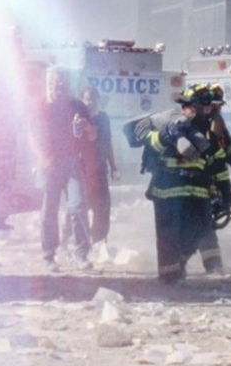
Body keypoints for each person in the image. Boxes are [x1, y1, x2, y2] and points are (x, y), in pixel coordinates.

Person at [128, 84, 221, 284]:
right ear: (187, 107)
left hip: (197, 191)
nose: (203, 112)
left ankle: (187, 263)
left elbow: (211, 164)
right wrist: (166, 135)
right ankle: (169, 279)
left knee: (201, 230)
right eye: (198, 107)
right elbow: (151, 143)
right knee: (168, 237)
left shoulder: (205, 131)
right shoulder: (167, 123)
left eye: (206, 108)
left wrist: (217, 192)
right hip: (168, 192)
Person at [29, 67, 96, 273]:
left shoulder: (78, 106)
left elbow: (93, 135)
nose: (59, 87)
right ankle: (49, 256)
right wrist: (42, 158)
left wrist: (86, 126)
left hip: (72, 162)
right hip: (49, 163)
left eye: (63, 83)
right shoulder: (40, 106)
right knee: (49, 211)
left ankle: (81, 254)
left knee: (78, 206)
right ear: (49, 83)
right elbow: (31, 135)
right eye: (56, 83)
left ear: (69, 85)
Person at [192, 83, 231, 274]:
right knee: (201, 226)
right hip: (199, 188)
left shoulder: (217, 128)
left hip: (217, 187)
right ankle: (196, 266)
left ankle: (213, 268)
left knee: (206, 226)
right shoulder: (191, 128)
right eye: (215, 106)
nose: (218, 110)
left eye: (219, 106)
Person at [79, 84, 119, 246]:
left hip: (100, 170)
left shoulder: (103, 118)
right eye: (87, 99)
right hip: (82, 171)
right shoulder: (78, 119)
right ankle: (71, 240)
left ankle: (99, 242)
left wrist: (113, 165)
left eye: (94, 99)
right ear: (82, 100)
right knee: (80, 207)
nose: (90, 103)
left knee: (102, 208)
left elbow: (107, 143)